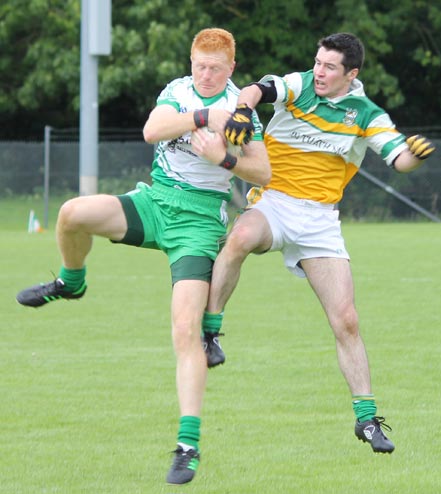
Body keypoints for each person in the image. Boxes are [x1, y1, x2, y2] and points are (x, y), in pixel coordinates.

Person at [16, 28, 270, 485]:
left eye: (215, 68)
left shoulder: (241, 111)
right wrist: (202, 115)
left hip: (197, 225)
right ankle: (72, 282)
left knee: (183, 330)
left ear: (231, 68)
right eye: (199, 65)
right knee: (73, 213)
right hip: (155, 204)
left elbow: (263, 170)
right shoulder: (178, 91)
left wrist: (224, 158)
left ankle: (188, 446)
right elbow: (153, 129)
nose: (206, 74)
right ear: (191, 62)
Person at [203, 32, 435, 454]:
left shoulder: (365, 113)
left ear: (352, 73)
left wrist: (416, 155)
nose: (320, 71)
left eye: (329, 66)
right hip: (273, 201)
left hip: (320, 221)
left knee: (346, 319)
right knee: (239, 238)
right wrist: (240, 111)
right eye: (317, 62)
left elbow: (399, 159)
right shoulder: (301, 84)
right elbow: (259, 88)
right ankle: (211, 332)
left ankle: (366, 420)